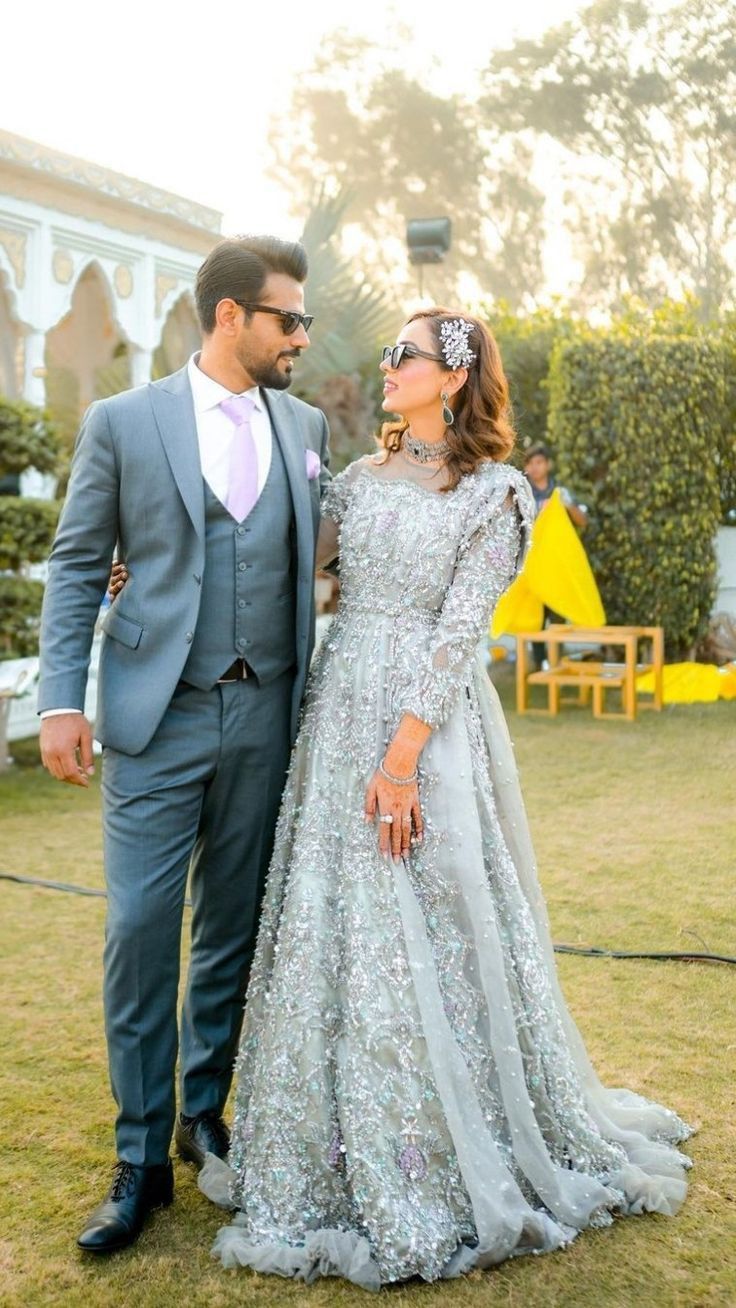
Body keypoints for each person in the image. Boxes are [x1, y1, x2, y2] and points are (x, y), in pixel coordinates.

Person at [197, 309, 692, 1290]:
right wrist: (159, 569)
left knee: (434, 919)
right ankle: (333, 1135)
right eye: (387, 351)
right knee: (338, 922)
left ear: (455, 375)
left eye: (405, 354)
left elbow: (461, 632)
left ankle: (439, 1142)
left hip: (426, 730)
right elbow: (279, 570)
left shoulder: (495, 495)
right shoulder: (358, 479)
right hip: (337, 718)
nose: (386, 365)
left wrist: (402, 758)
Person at [37, 235, 330, 1254]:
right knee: (138, 930)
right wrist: (59, 703)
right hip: (153, 720)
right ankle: (138, 1154)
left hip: (266, 715)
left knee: (230, 930)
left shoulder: (304, 426)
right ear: (229, 317)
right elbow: (78, 565)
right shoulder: (125, 422)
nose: (300, 335)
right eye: (287, 317)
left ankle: (207, 1115)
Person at [523, 442, 589, 669]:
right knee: (533, 617)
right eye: (530, 463)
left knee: (558, 614)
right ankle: (539, 661)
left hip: (557, 568)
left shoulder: (560, 492)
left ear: (548, 465)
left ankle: (556, 662)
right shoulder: (522, 492)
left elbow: (582, 521)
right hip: (531, 566)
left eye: (539, 462)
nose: (535, 467)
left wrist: (567, 505)